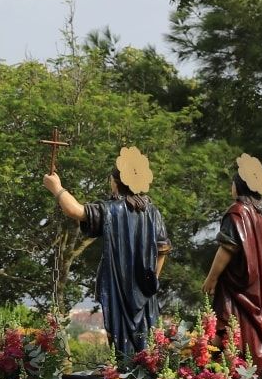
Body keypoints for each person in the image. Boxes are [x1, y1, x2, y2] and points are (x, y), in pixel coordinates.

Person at [46, 148, 171, 358]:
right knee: (147, 338)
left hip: (118, 286)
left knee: (120, 335)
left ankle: (123, 375)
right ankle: (142, 376)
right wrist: (153, 279)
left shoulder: (111, 209)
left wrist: (57, 188)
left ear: (115, 182)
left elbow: (76, 211)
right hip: (146, 288)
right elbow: (163, 249)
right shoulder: (153, 211)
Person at [203, 154, 262, 374]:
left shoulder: (237, 213)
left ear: (238, 186)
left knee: (232, 335)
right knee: (258, 332)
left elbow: (227, 248)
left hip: (237, 290)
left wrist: (212, 278)